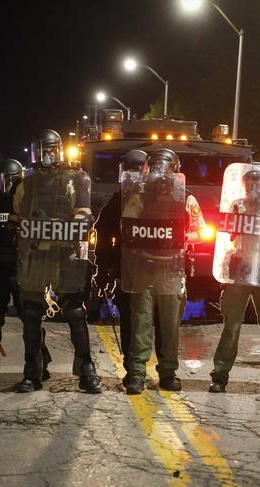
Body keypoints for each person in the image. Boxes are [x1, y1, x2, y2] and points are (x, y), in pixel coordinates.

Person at [13, 129, 101, 393]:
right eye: (42, 150)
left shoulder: (77, 179)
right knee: (30, 313)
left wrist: (62, 227)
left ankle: (86, 370)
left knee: (74, 311)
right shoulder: (26, 184)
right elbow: (17, 218)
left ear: (60, 150)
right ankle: (32, 371)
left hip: (65, 255)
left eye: (51, 150)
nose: (47, 156)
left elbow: (84, 215)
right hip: (36, 254)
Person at [122, 148, 205, 394]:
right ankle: (136, 374)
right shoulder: (140, 195)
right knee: (141, 325)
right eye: (155, 167)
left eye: (164, 167)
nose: (160, 173)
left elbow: (200, 233)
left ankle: (168, 374)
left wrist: (180, 237)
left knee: (169, 327)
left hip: (172, 269)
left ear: (174, 170)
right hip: (145, 268)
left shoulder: (187, 198)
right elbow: (128, 226)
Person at [209, 164, 260, 394]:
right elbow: (224, 236)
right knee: (231, 326)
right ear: (244, 186)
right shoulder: (236, 206)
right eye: (250, 183)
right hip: (240, 268)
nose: (254, 187)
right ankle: (220, 376)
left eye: (258, 182)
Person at [0, 159, 52, 381]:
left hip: (21, 268)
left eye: (12, 179)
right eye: (3, 178)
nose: (7, 184)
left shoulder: (29, 204)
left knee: (30, 318)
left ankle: (39, 361)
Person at [94, 149, 162, 386]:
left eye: (138, 168)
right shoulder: (120, 198)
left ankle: (161, 369)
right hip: (128, 268)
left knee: (153, 321)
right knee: (130, 319)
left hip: (158, 268)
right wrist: (103, 271)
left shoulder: (160, 196)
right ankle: (133, 368)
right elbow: (104, 235)